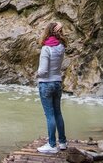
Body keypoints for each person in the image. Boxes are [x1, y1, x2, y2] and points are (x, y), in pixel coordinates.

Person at [36, 22, 67, 154]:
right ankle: (63, 142)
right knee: (58, 113)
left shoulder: (46, 49)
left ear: (47, 32)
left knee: (49, 115)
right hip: (57, 83)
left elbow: (43, 71)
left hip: (46, 84)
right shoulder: (61, 47)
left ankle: (52, 145)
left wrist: (36, 74)